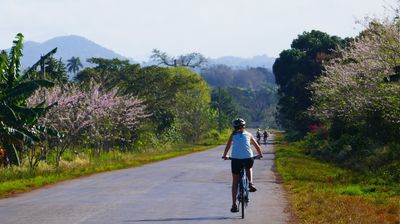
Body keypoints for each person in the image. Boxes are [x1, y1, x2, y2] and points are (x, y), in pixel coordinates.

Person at [222, 118, 263, 213]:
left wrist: (225, 156)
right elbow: (257, 146)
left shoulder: (233, 135)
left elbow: (227, 146)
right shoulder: (249, 134)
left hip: (235, 160)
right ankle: (251, 183)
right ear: (244, 126)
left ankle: (233, 204)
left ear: (234, 127)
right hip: (248, 158)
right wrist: (260, 154)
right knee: (249, 167)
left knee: (235, 182)